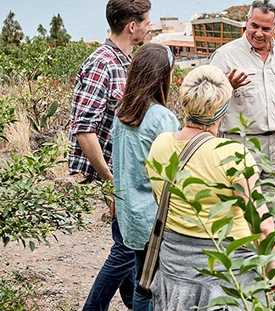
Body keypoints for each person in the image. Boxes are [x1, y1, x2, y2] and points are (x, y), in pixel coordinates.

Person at [145, 65, 275, 310]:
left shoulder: (160, 144)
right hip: (228, 271)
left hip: (175, 269)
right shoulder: (232, 154)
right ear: (222, 110)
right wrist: (272, 274)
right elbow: (264, 225)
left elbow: (160, 197)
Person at [67, 0, 151, 310]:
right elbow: (84, 129)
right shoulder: (102, 63)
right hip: (117, 175)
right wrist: (112, 181)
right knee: (127, 248)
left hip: (126, 171)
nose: (150, 26)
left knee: (128, 243)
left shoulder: (126, 62)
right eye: (146, 21)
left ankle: (132, 301)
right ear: (133, 26)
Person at [209, 0, 275, 216]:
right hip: (240, 144)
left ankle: (267, 250)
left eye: (266, 29)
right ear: (247, 23)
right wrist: (228, 86)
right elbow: (207, 101)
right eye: (254, 26)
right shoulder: (225, 55)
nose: (259, 33)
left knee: (274, 211)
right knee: (239, 211)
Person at [112, 43, 179, 311]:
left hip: (131, 215)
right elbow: (172, 173)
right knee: (156, 289)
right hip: (155, 219)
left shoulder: (122, 111)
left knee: (143, 283)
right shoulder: (162, 118)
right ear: (163, 76)